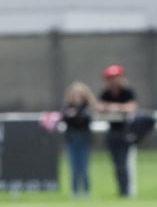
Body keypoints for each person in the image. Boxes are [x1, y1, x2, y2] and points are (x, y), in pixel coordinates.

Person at [97, 64, 150, 197]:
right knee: (117, 164)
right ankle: (121, 190)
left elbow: (131, 107)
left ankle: (127, 191)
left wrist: (113, 107)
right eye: (111, 78)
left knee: (124, 163)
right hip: (112, 131)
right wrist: (119, 108)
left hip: (126, 131)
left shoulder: (127, 92)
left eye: (116, 77)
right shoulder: (105, 93)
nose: (114, 81)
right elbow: (100, 108)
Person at [59, 81, 97, 197]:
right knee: (74, 167)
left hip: (84, 139)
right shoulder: (67, 107)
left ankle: (86, 191)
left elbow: (85, 119)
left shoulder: (88, 107)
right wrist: (72, 115)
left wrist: (75, 114)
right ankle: (74, 191)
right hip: (71, 139)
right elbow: (64, 118)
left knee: (84, 166)